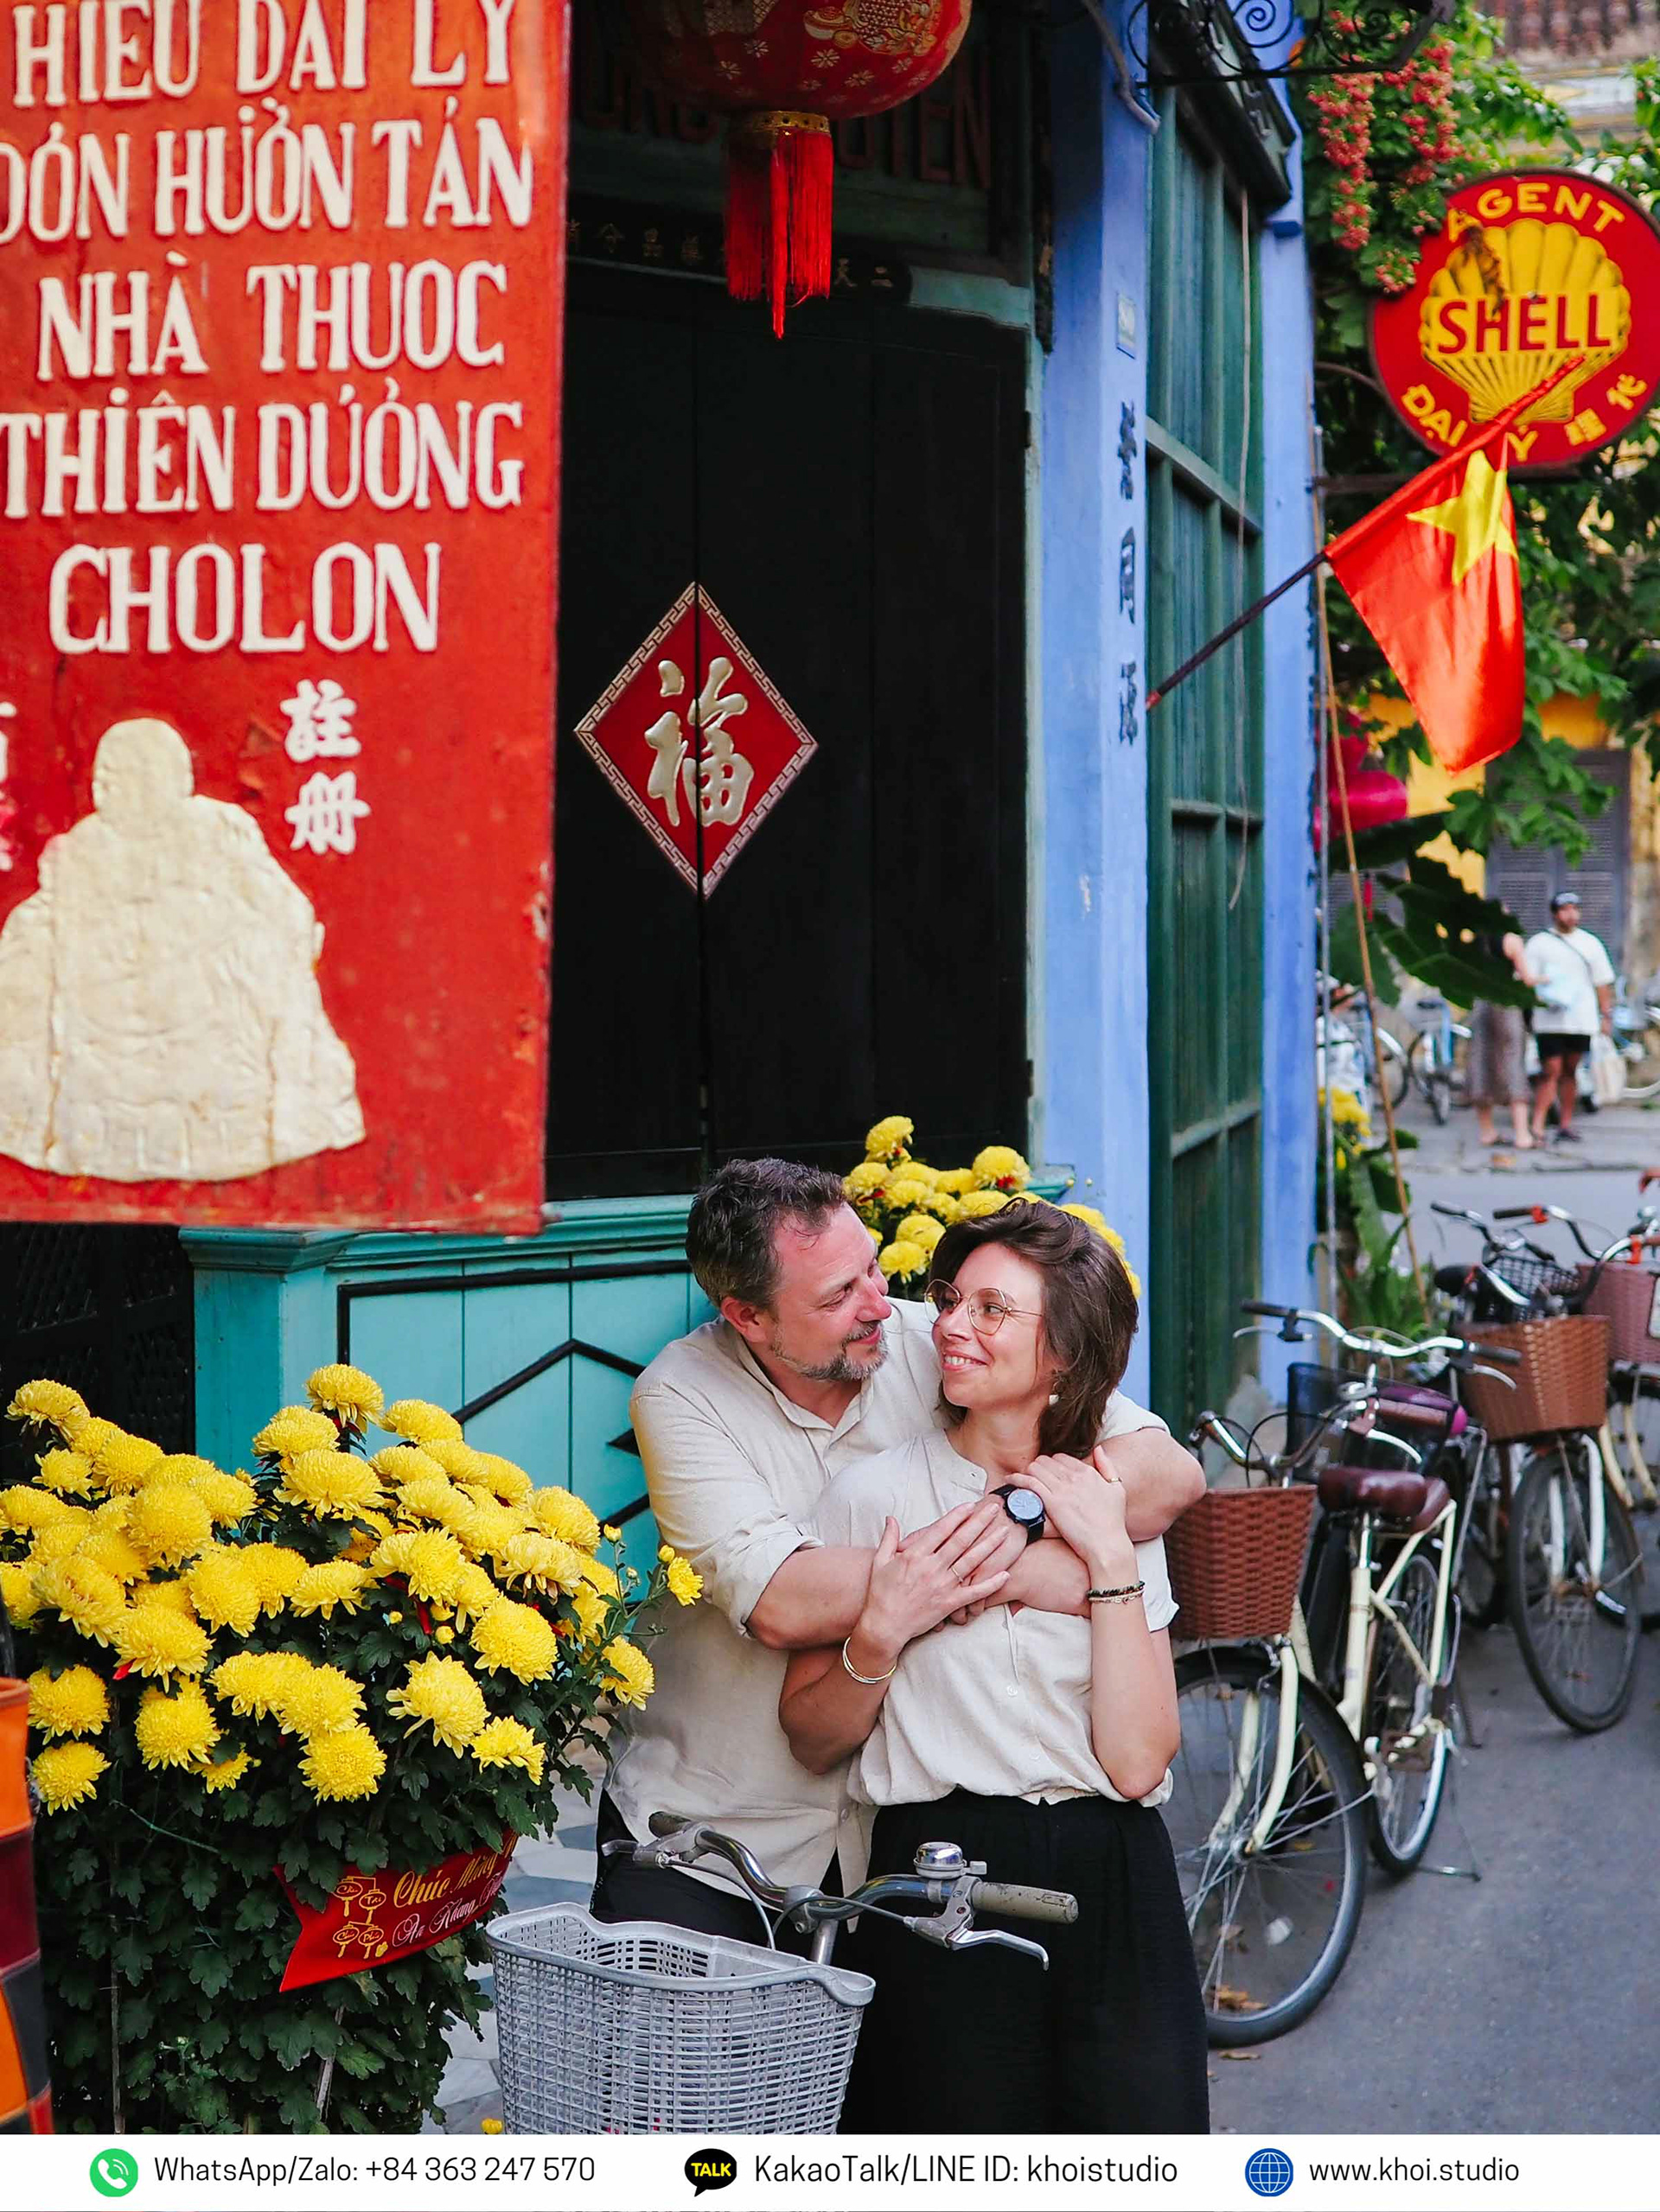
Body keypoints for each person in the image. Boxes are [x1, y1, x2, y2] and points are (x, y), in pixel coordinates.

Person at [589, 1157, 1204, 1944]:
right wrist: (1027, 1571)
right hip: (723, 1834)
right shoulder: (680, 1396)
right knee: (688, 2065)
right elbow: (784, 1600)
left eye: (872, 1268)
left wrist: (1023, 1511)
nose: (880, 1303)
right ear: (749, 1317)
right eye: (839, 1295)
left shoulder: (937, 1342)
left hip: (905, 1843)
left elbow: (1166, 1472)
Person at [781, 1199, 1207, 2134]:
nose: (949, 1327)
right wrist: (879, 1637)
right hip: (938, 1876)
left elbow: (1138, 1764)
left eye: (991, 1310)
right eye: (951, 1300)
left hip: (1115, 1880)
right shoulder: (875, 1497)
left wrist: (1103, 1564)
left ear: (1062, 1355)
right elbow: (811, 1738)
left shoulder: (1113, 1501)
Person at [1526, 890, 1614, 1146]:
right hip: (1550, 1018)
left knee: (1571, 1071)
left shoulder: (1590, 943)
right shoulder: (1540, 943)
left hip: (1580, 1018)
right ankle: (1538, 1124)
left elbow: (1602, 982)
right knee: (1550, 1070)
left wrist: (1605, 1014)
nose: (1571, 914)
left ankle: (1565, 1122)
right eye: (1565, 909)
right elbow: (1528, 977)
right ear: (1555, 913)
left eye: (1575, 908)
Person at [1467, 931, 1537, 1151]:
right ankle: (1522, 1134)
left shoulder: (1472, 942)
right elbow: (1526, 978)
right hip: (1506, 1004)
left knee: (1481, 1063)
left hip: (1480, 1004)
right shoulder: (1511, 940)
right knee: (1513, 1062)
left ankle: (1487, 1131)